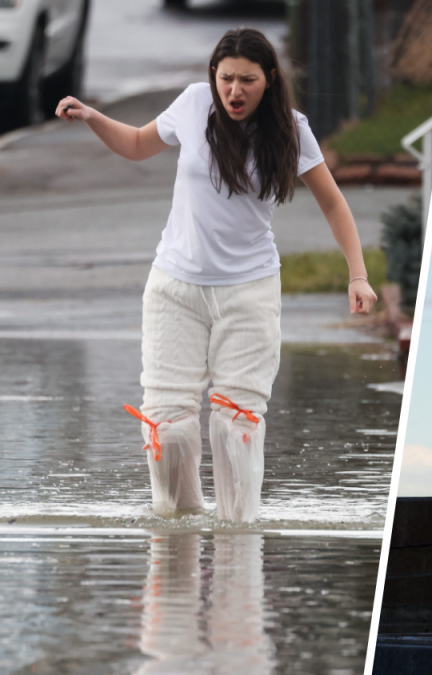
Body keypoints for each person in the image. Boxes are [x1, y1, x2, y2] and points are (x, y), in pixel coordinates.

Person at [55, 28, 377, 522]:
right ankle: (175, 540)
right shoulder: (192, 104)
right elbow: (141, 144)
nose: (234, 91)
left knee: (236, 427)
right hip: (174, 289)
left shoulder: (291, 129)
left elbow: (333, 203)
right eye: (226, 78)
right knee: (170, 427)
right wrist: (95, 117)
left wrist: (357, 275)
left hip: (249, 292)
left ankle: (238, 548)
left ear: (269, 79)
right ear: (214, 76)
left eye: (247, 80)